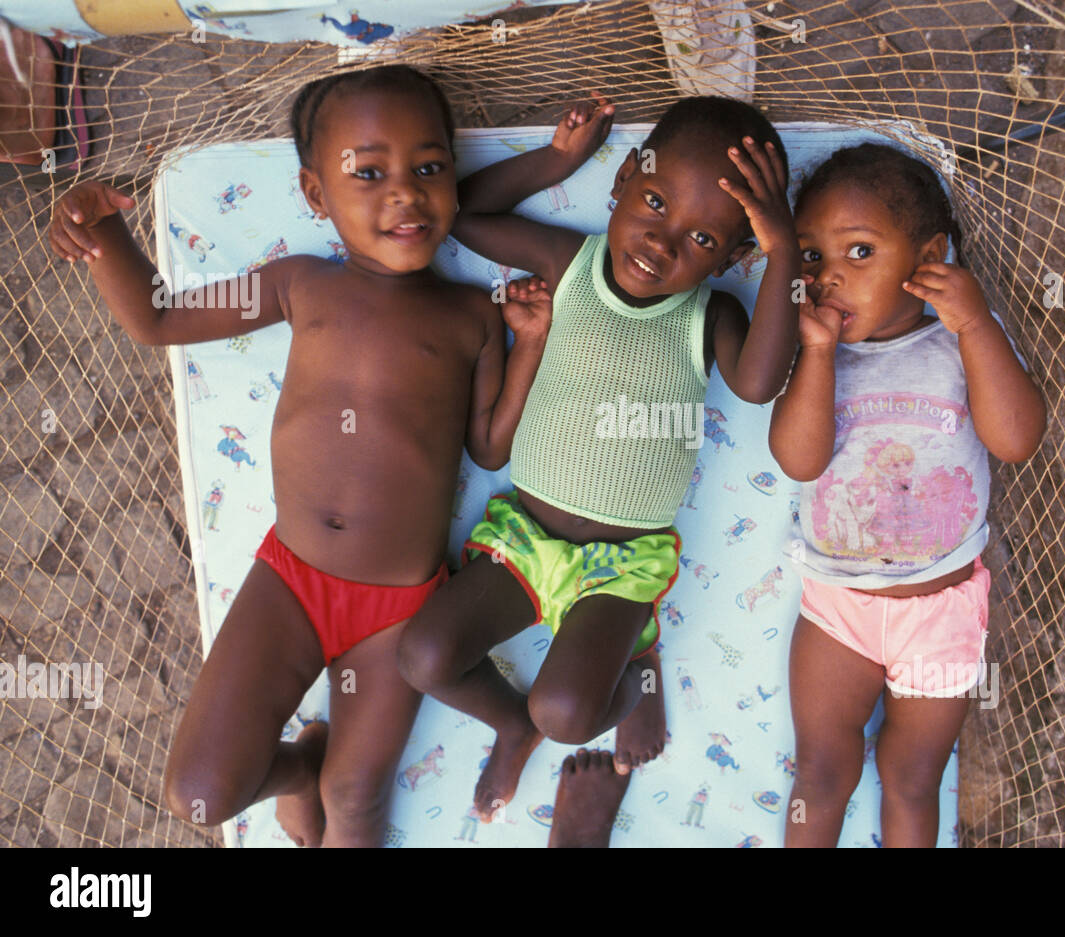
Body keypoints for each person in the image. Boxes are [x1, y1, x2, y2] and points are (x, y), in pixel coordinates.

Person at [47, 65, 553, 847]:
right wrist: (100, 230)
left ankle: (380, 760)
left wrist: (529, 347)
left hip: (400, 606)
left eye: (430, 167)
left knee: (354, 803)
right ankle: (297, 765)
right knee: (202, 795)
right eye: (368, 173)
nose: (406, 193)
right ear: (316, 195)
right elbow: (157, 318)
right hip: (292, 577)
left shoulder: (471, 313)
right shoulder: (299, 286)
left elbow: (489, 445)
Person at [398, 96, 800, 845]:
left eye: (703, 236)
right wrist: (557, 162)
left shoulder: (707, 315)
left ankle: (636, 659)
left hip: (619, 569)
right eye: (653, 200)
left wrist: (782, 252)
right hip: (523, 537)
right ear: (621, 179)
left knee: (571, 715)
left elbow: (762, 381)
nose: (661, 239)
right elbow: (465, 215)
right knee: (422, 656)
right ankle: (509, 726)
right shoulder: (569, 261)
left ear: (731, 259)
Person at [769, 142, 1046, 847]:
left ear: (930, 258)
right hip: (838, 607)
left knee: (915, 776)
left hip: (941, 610)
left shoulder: (961, 343)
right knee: (821, 772)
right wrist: (820, 356)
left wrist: (978, 324)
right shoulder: (813, 354)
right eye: (812, 258)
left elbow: (1016, 440)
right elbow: (798, 460)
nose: (830, 277)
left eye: (859, 252)